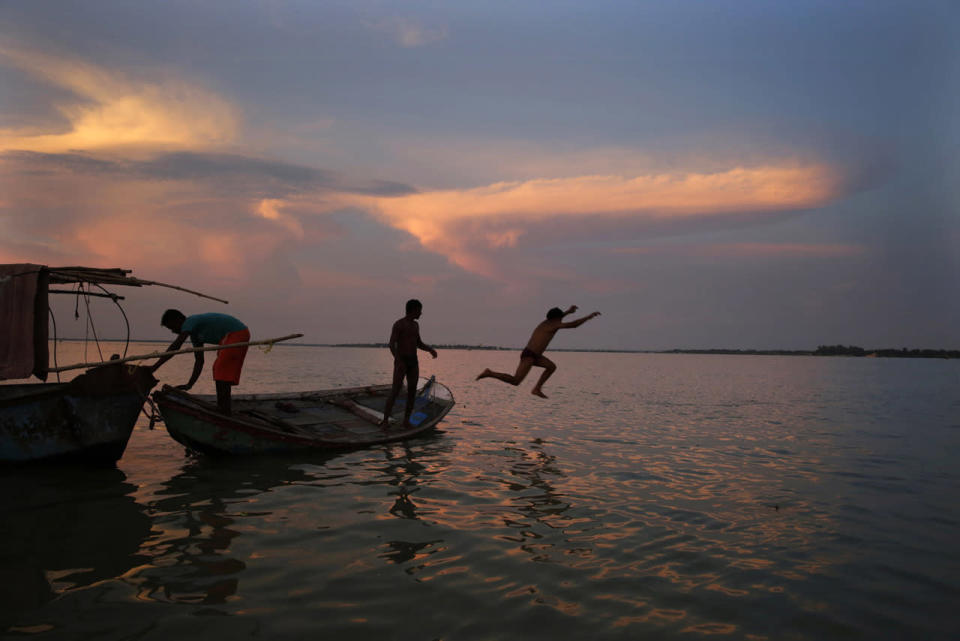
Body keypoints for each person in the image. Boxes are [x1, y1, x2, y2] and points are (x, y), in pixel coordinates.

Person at [477, 305, 601, 398]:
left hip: (536, 356)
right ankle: (490, 373)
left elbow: (559, 317)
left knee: (551, 367)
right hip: (529, 355)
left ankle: (537, 388)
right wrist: (589, 317)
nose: (561, 320)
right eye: (560, 318)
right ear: (556, 319)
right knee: (515, 381)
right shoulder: (554, 325)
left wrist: (568, 311)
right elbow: (573, 325)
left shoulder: (548, 322)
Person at [151, 309, 250, 415]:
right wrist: (190, 384)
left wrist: (155, 367)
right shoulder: (195, 336)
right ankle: (224, 407)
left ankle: (224, 408)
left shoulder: (190, 321)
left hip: (236, 333)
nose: (173, 331)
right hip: (234, 336)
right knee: (221, 369)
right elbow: (199, 361)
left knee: (220, 368)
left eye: (172, 327)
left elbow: (176, 345)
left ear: (178, 320)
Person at [381, 299, 437, 429]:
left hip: (413, 361)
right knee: (395, 390)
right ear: (413, 310)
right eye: (419, 310)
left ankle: (406, 421)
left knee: (412, 392)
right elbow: (391, 344)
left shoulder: (415, 325)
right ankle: (385, 421)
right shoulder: (399, 324)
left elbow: (419, 343)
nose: (421, 313)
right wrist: (398, 360)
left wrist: (430, 350)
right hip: (402, 361)